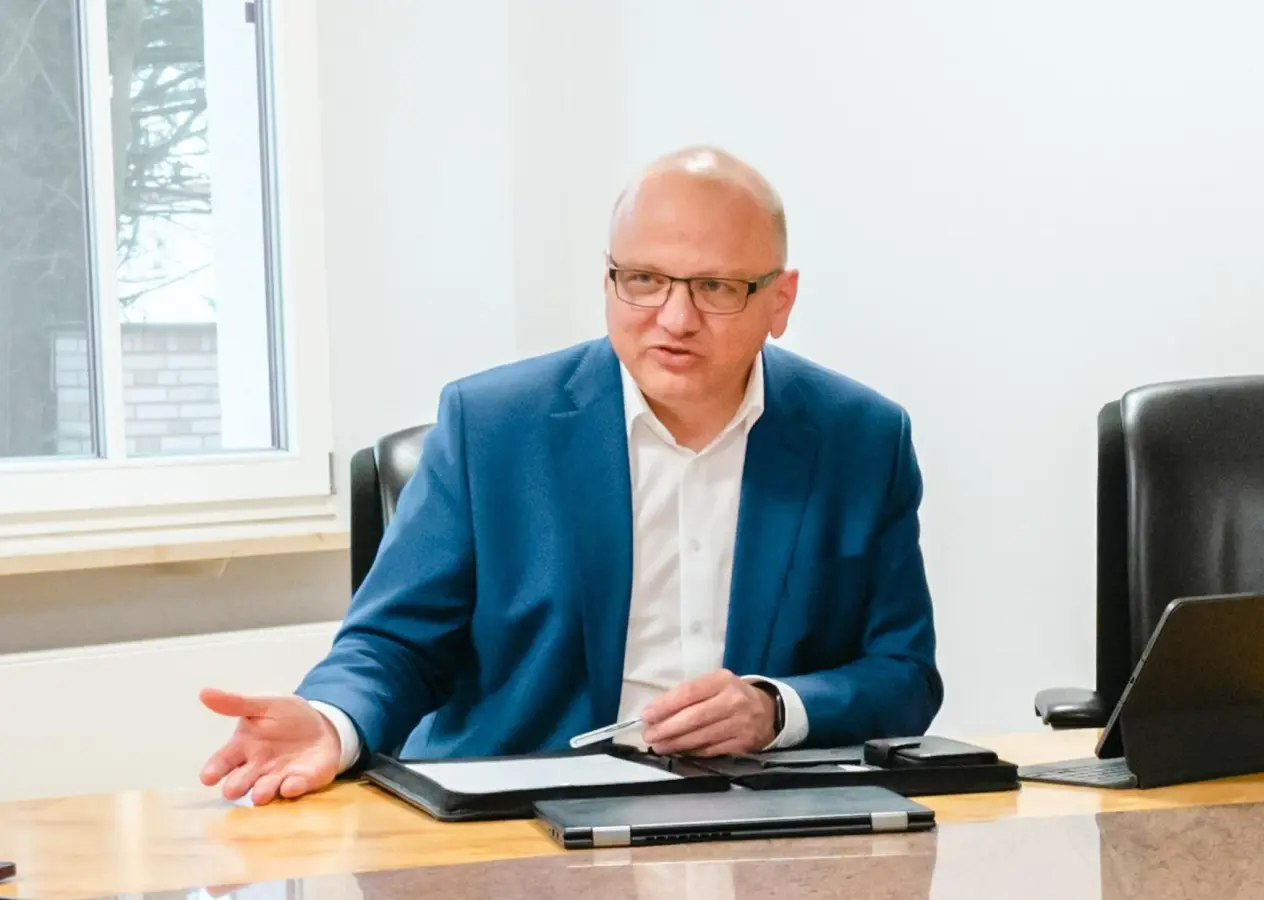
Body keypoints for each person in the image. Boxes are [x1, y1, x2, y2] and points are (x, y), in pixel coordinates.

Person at [197, 146, 942, 806]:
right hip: (518, 820)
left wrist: (777, 710)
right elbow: (393, 642)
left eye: (715, 287)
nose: (673, 318)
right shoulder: (491, 425)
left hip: (752, 821)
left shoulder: (861, 438)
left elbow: (904, 675)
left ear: (780, 300)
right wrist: (333, 720)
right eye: (643, 279)